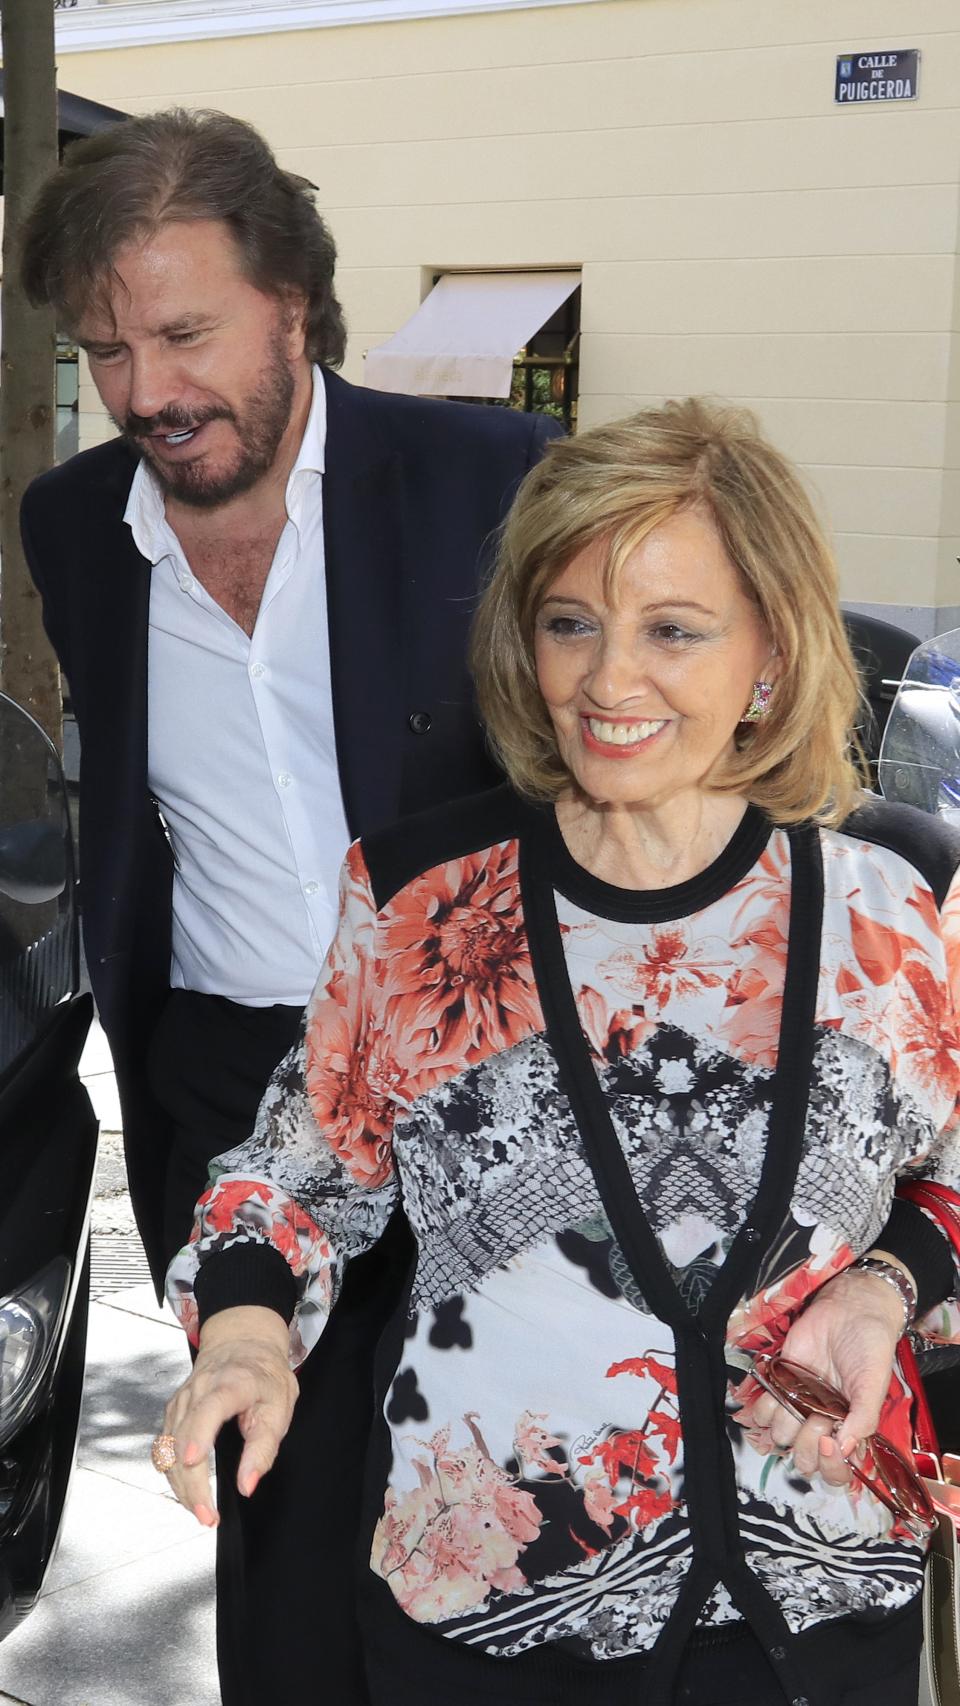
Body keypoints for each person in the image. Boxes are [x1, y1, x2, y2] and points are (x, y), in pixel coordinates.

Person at [158, 397, 960, 1706]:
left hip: (818, 1612)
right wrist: (245, 1330)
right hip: (497, 1620)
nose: (607, 679)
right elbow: (299, 1170)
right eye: (570, 622)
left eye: (671, 630)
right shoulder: (422, 901)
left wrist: (885, 1282)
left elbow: (949, 1167)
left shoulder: (884, 909)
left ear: (769, 656)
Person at [17, 107, 561, 1706]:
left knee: (515, 1510)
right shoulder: (73, 526)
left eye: (185, 331)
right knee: (281, 1520)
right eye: (105, 347)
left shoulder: (487, 480)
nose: (148, 392)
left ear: (296, 305)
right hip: (230, 1085)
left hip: (490, 1092)